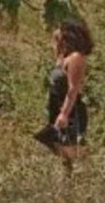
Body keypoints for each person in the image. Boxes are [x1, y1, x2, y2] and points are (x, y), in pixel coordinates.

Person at [34, 19, 93, 173]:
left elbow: (73, 89)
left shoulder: (76, 58)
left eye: (57, 38)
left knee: (70, 148)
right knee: (52, 140)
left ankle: (85, 170)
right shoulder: (63, 58)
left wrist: (64, 114)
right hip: (57, 106)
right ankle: (71, 176)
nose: (55, 41)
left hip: (70, 110)